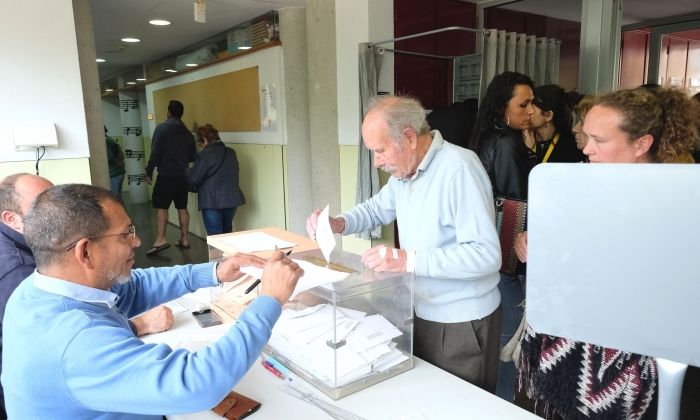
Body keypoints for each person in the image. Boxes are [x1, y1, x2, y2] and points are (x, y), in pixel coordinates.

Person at [1, 184, 303, 418]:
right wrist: (270, 299)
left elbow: (134, 287)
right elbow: (196, 383)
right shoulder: (74, 341)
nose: (137, 241)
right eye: (125, 235)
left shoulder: (37, 288)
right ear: (85, 252)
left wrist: (215, 271)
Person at [514, 87, 700, 419]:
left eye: (600, 140)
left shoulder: (678, 205)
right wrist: (530, 240)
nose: (586, 148)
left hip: (626, 358)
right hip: (565, 349)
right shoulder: (579, 185)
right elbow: (557, 241)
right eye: (587, 137)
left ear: (642, 144)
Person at [305, 95, 502, 392]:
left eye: (380, 150)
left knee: (458, 406)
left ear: (409, 137)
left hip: (460, 320)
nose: (377, 162)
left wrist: (405, 260)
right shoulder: (405, 174)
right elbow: (375, 209)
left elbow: (486, 255)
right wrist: (338, 223)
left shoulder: (459, 169)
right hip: (419, 308)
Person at [0, 174, 175, 420]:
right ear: (11, 219)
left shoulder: (41, 264)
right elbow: (187, 384)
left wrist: (212, 272)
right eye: (41, 203)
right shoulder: (17, 272)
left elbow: (127, 288)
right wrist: (138, 324)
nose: (60, 209)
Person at [469, 71, 536, 201]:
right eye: (523, 105)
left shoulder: (489, 134)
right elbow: (517, 203)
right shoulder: (505, 144)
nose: (532, 111)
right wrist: (530, 153)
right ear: (501, 108)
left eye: (532, 103)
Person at [145, 100, 197, 254]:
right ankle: (185, 239)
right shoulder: (187, 133)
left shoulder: (161, 129)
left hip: (166, 175)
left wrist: (149, 171)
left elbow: (155, 153)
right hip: (182, 176)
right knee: (182, 207)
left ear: (169, 112)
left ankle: (161, 239)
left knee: (162, 207)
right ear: (181, 113)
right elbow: (192, 156)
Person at [186, 124, 246, 236]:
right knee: (227, 233)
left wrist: (186, 171)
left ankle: (218, 255)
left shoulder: (204, 155)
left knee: (215, 237)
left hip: (211, 201)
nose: (201, 146)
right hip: (232, 200)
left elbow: (194, 179)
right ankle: (228, 254)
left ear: (204, 139)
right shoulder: (231, 152)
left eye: (201, 143)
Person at [529, 84, 585, 163]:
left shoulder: (572, 147)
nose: (528, 111)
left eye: (532, 107)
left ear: (548, 115)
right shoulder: (523, 140)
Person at [105, 126, 126, 200]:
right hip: (117, 171)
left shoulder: (106, 141)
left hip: (114, 173)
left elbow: (109, 157)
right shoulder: (109, 139)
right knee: (118, 198)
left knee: (114, 199)